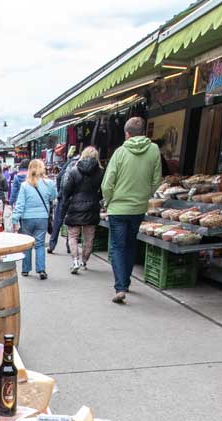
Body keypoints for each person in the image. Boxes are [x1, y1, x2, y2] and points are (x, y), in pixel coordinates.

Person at [101, 117, 161, 304]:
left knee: (117, 246)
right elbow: (156, 179)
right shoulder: (154, 150)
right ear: (143, 132)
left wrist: (108, 201)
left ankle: (120, 287)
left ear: (126, 134)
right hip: (138, 207)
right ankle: (126, 282)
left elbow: (108, 183)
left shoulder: (120, 152)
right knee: (130, 244)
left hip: (118, 208)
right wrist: (145, 196)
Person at [57, 146, 104, 275]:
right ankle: (84, 261)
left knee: (73, 236)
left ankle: (75, 261)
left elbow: (66, 190)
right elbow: (103, 190)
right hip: (92, 207)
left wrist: (66, 204)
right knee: (89, 238)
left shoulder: (74, 171)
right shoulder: (101, 172)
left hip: (75, 207)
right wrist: (97, 198)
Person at [11, 158, 57, 280]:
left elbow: (20, 204)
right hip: (42, 217)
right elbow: (54, 197)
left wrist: (15, 219)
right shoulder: (49, 183)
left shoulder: (25, 185)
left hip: (27, 218)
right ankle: (41, 269)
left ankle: (26, 269)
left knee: (27, 244)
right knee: (40, 244)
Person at [47, 151, 80, 254]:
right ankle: (70, 246)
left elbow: (59, 176)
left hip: (63, 197)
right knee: (71, 222)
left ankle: (52, 245)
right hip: (75, 198)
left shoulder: (69, 163)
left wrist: (60, 192)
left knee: (57, 221)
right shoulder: (82, 165)